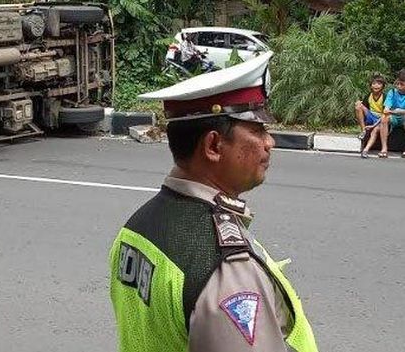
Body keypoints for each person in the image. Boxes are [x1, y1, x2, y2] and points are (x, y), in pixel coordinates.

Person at [109, 52, 319, 352]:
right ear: (214, 146)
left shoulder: (135, 228)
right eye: (258, 130)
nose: (269, 142)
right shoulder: (227, 271)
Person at [356, 74, 387, 158]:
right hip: (371, 116)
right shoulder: (368, 96)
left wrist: (374, 125)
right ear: (370, 86)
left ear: (383, 86)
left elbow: (385, 114)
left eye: (379, 84)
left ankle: (366, 150)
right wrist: (359, 104)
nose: (376, 86)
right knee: (358, 105)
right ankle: (363, 131)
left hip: (381, 119)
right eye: (374, 83)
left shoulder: (385, 97)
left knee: (375, 131)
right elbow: (363, 109)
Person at [378, 69, 405, 158]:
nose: (399, 86)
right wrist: (393, 111)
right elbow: (386, 109)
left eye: (402, 84)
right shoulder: (392, 92)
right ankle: (384, 148)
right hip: (394, 117)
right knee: (384, 117)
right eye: (398, 84)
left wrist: (399, 111)